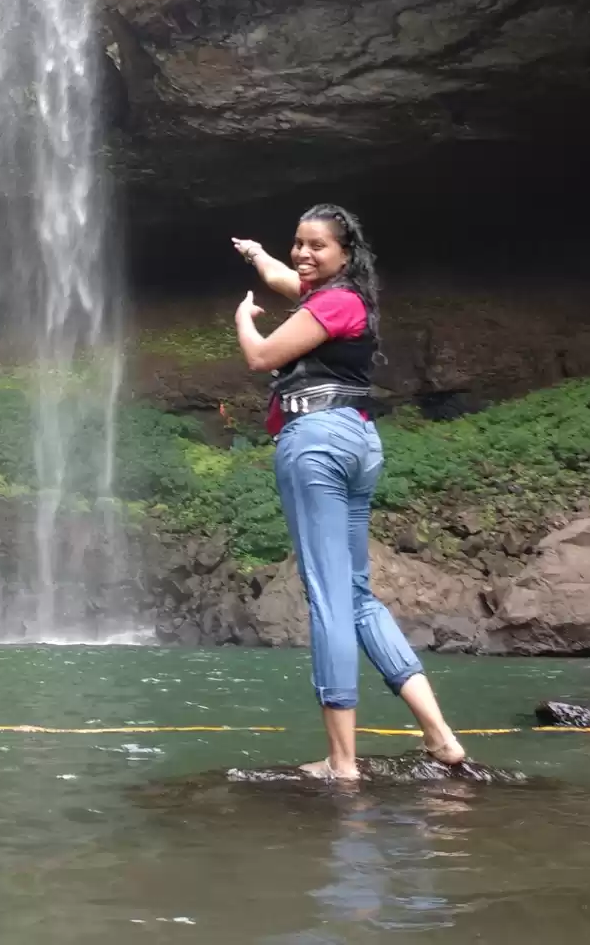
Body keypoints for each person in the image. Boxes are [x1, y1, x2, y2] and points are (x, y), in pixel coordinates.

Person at [232, 205, 465, 782]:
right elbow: (287, 281)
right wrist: (257, 255)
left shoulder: (334, 302)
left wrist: (243, 318)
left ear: (346, 255)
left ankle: (342, 762)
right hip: (357, 440)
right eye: (298, 243)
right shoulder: (340, 297)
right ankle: (439, 736)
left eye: (317, 246)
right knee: (357, 597)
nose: (303, 254)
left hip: (316, 441)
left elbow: (261, 356)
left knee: (330, 600)